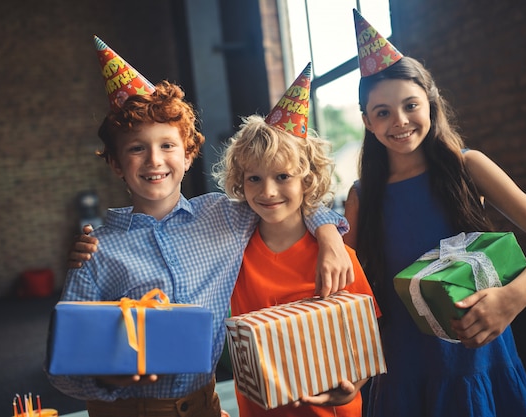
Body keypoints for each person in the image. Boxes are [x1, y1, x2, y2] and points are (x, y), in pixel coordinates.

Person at [47, 36, 354, 417]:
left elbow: (286, 199)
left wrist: (328, 232)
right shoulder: (96, 252)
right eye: (136, 148)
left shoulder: (225, 215)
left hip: (205, 403)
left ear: (189, 153)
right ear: (115, 163)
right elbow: (62, 365)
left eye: (167, 146)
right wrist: (111, 379)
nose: (154, 160)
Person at [342, 10, 526, 417]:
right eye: (382, 112)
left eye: (410, 105)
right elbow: (349, 294)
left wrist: (511, 299)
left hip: (480, 367)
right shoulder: (362, 197)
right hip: (402, 376)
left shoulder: (469, 167)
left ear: (431, 104)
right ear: (367, 121)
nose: (399, 121)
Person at [212, 63, 379, 417]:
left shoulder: (336, 254)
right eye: (254, 178)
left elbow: (366, 337)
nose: (268, 191)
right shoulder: (234, 252)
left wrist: (350, 388)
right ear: (240, 182)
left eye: (283, 176)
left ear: (307, 178)